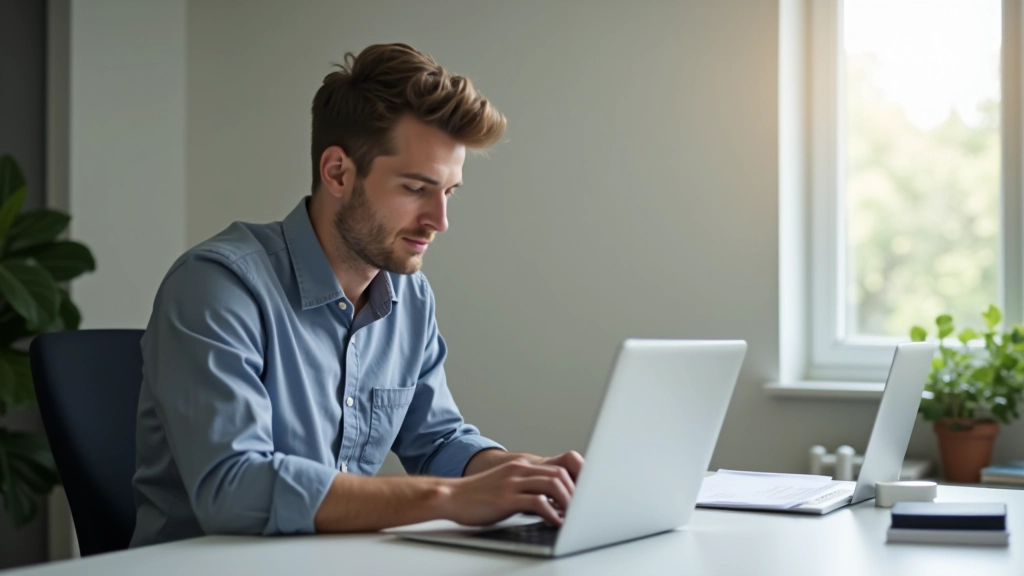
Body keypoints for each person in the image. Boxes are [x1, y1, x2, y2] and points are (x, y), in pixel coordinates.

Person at [130, 43, 583, 547]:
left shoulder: (409, 297)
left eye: (449, 192)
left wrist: (522, 476)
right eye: (416, 188)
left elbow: (438, 441)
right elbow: (233, 486)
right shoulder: (216, 286)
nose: (440, 221)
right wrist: (451, 499)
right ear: (338, 173)